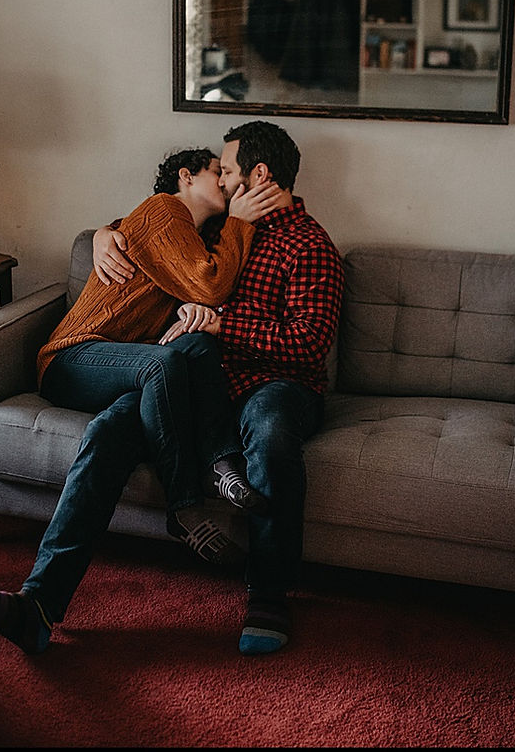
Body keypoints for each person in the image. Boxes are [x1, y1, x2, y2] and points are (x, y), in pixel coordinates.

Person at [0, 147, 280, 654]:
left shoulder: (188, 236)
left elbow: (182, 270)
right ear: (185, 176)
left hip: (128, 374)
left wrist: (109, 230)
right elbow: (210, 284)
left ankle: (36, 608)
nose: (226, 183)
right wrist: (238, 223)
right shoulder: (165, 211)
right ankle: (186, 505)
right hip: (73, 358)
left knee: (107, 435)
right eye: (217, 173)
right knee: (164, 360)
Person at [94, 120, 344, 655]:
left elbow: (307, 344)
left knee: (272, 431)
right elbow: (158, 225)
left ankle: (268, 592)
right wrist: (103, 233)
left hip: (277, 384)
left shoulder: (310, 245)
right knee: (114, 423)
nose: (222, 180)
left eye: (227, 170)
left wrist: (221, 324)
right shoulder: (218, 229)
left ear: (258, 174)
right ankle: (47, 589)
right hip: (201, 377)